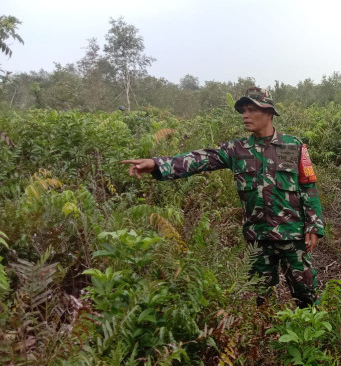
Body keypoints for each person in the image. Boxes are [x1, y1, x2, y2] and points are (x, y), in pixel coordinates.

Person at [122, 87, 325, 308]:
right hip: (257, 238)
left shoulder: (291, 146)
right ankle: (267, 337)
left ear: (268, 112)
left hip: (291, 235)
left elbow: (308, 188)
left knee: (306, 293)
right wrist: (157, 164)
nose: (245, 115)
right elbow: (201, 158)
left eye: (251, 110)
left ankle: (310, 336)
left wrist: (313, 226)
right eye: (243, 111)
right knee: (260, 298)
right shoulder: (236, 150)